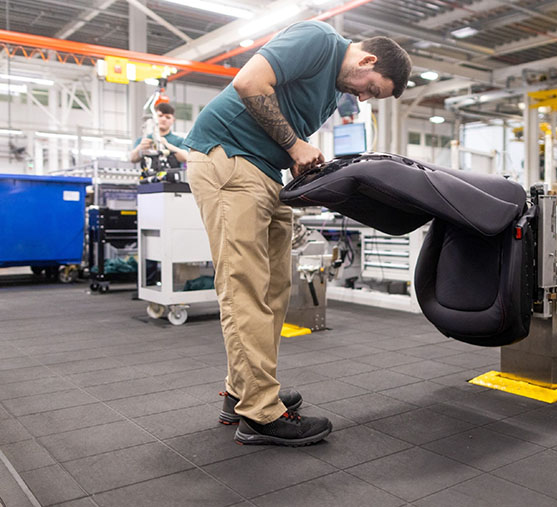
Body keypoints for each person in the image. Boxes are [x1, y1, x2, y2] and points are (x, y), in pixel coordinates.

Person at [183, 20, 411, 447]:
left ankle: (244, 392)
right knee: (245, 286)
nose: (362, 97)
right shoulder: (319, 39)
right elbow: (249, 82)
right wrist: (295, 146)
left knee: (273, 288)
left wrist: (302, 163)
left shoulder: (330, 89)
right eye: (371, 88)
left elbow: (280, 120)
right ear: (368, 59)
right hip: (229, 159)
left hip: (263, 172)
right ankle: (261, 415)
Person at [129, 102, 188, 167]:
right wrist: (140, 147)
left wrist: (166, 144)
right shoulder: (144, 139)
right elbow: (132, 159)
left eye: (168, 117)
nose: (163, 119)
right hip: (148, 175)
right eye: (160, 116)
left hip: (170, 176)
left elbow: (185, 157)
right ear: (154, 118)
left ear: (173, 120)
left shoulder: (179, 140)